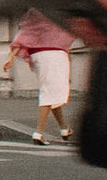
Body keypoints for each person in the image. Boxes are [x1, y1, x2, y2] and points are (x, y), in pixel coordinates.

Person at [7, 9, 78, 145]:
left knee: (52, 91)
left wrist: (10, 57)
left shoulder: (36, 11)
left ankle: (64, 129)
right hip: (56, 54)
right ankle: (38, 133)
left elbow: (24, 35)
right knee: (49, 92)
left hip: (38, 55)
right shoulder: (61, 6)